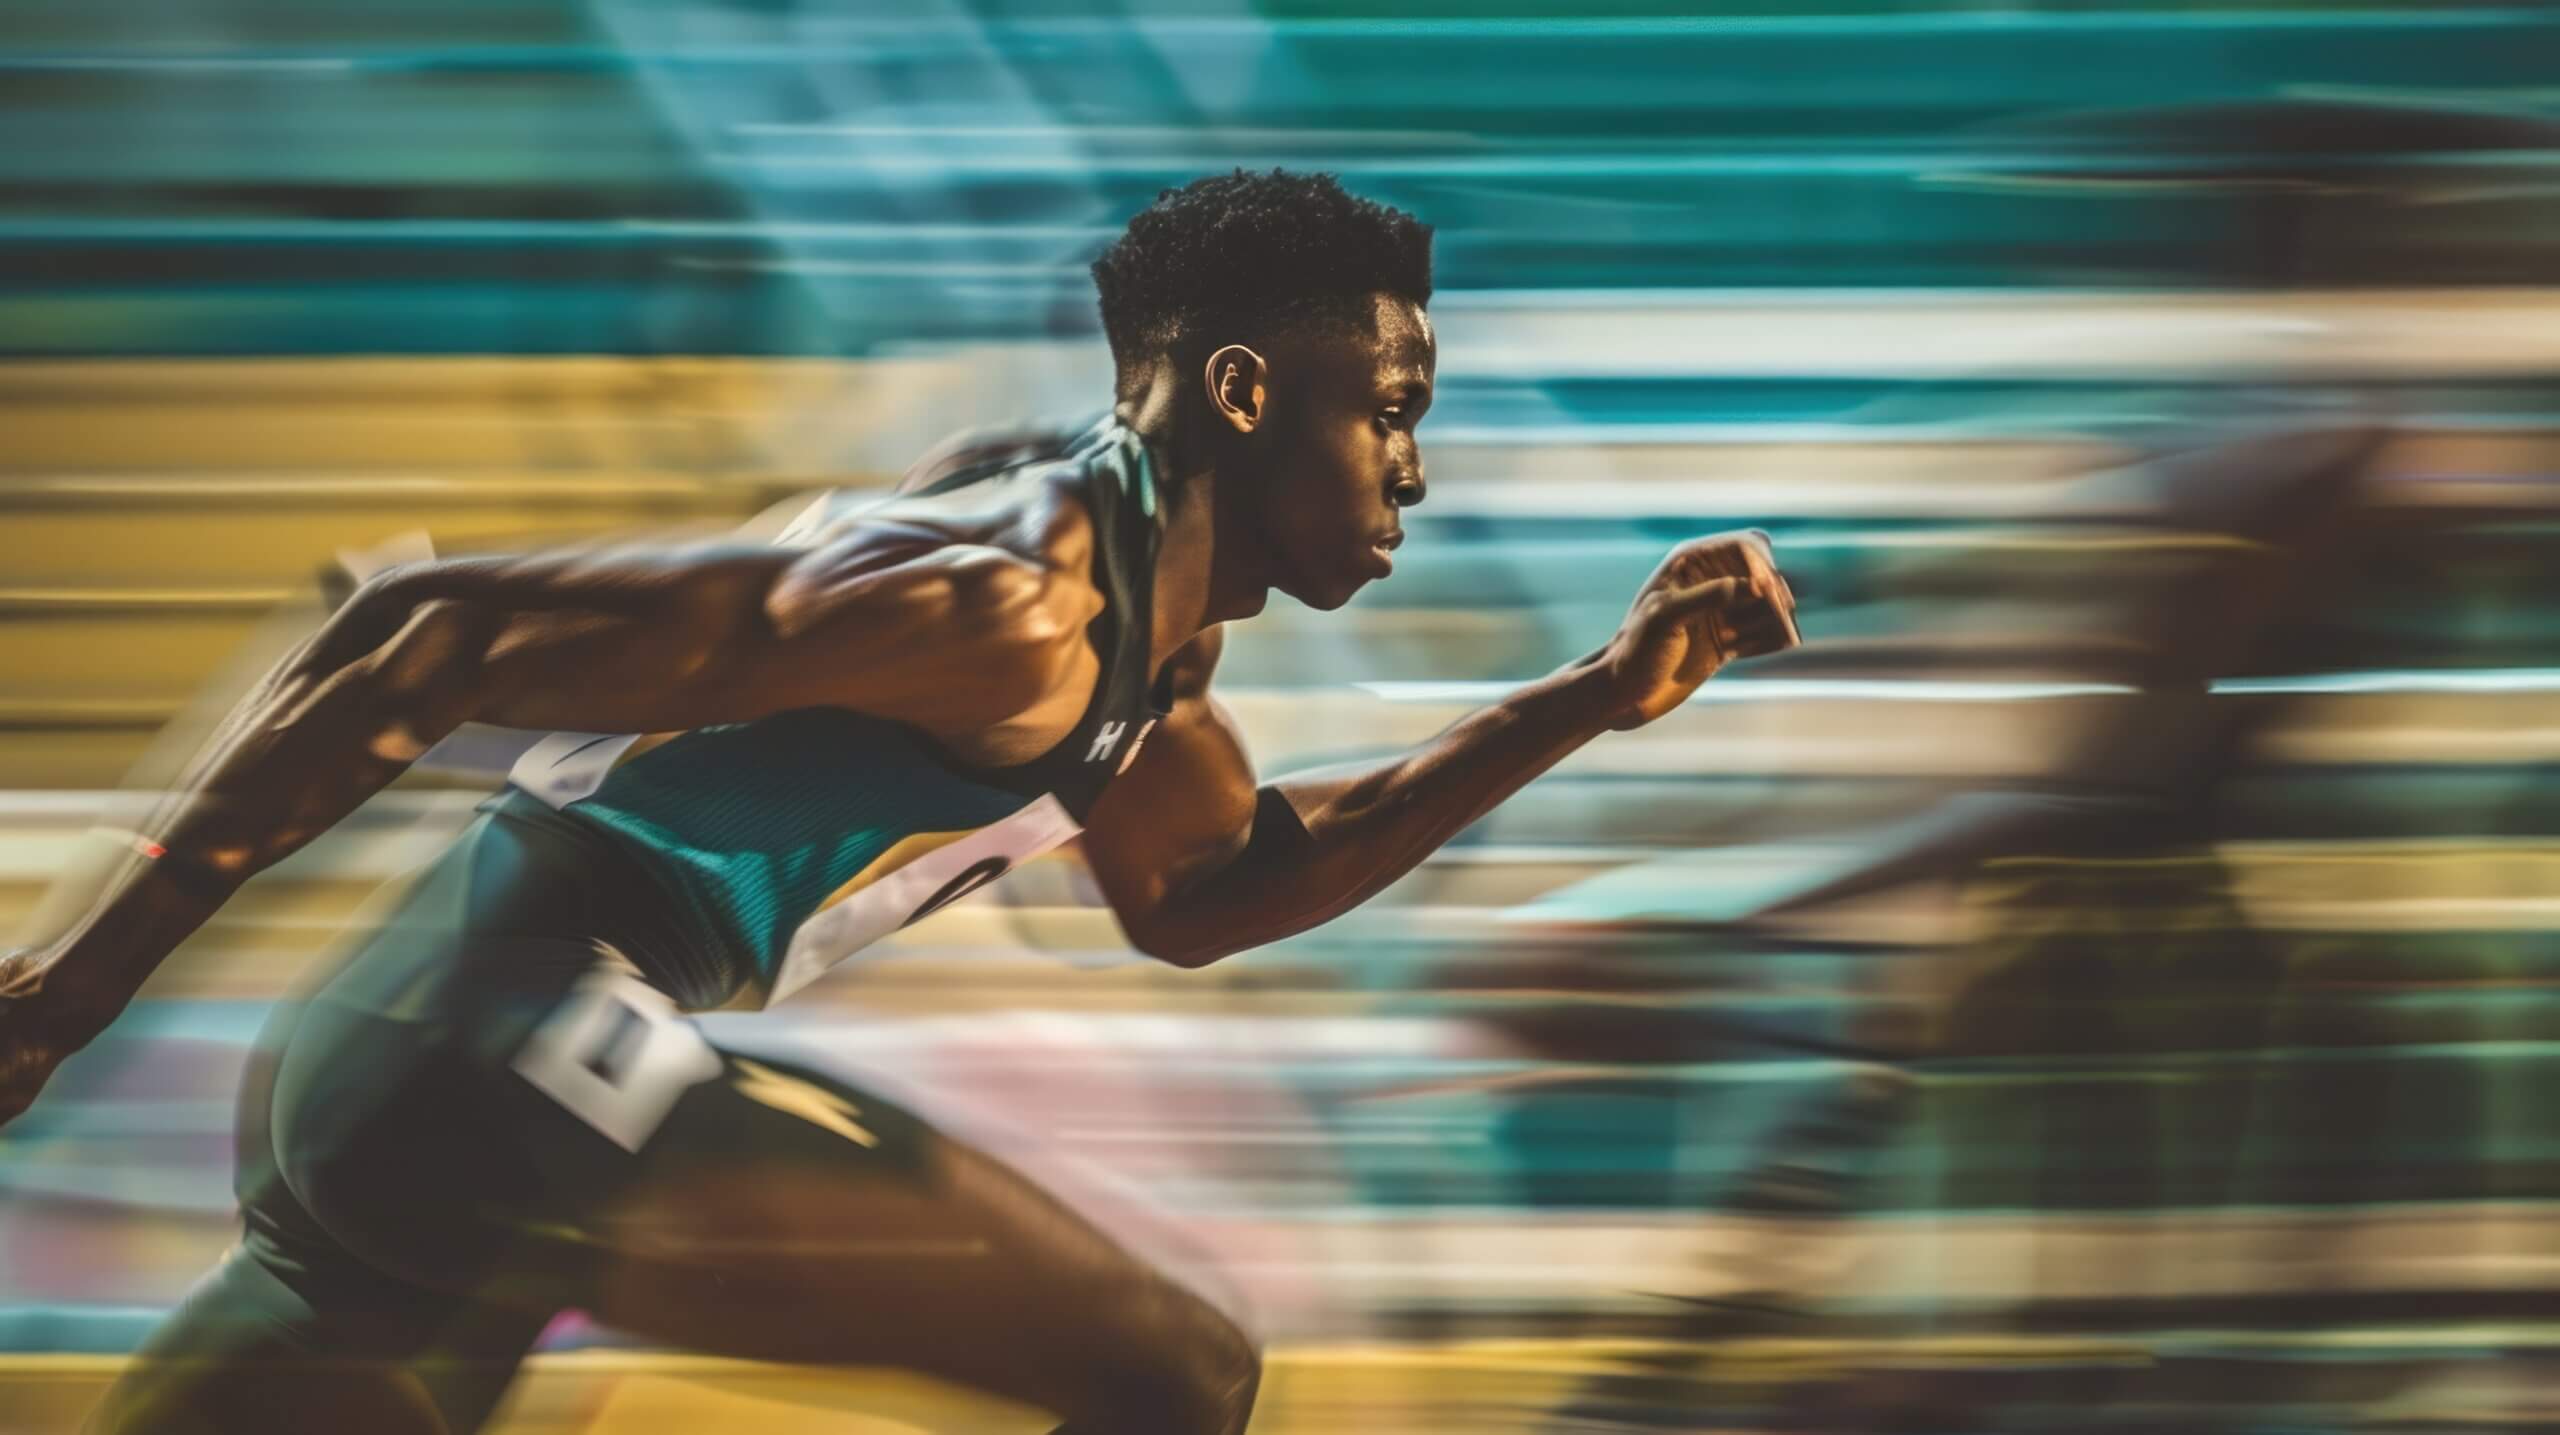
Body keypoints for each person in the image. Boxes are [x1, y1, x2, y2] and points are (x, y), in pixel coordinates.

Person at [0, 169, 1799, 1435]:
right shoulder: (1014, 595)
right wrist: (61, 994)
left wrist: (1586, 700)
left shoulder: (1141, 638)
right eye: (1392, 408)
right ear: (1247, 393)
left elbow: (1217, 885)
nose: (1416, 463)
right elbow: (430, 627)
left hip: (412, 1075)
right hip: (513, 1038)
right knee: (1169, 1371)